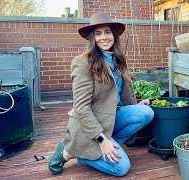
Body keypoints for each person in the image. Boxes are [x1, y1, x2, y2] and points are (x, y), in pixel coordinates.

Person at [48, 12, 154, 177]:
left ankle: (103, 148)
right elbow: (81, 107)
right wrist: (102, 141)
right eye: (98, 33)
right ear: (92, 38)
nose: (103, 37)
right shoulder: (83, 62)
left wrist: (135, 106)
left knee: (146, 113)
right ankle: (72, 152)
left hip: (110, 116)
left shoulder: (117, 60)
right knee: (121, 168)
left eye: (107, 32)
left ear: (114, 35)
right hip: (88, 125)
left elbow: (117, 93)